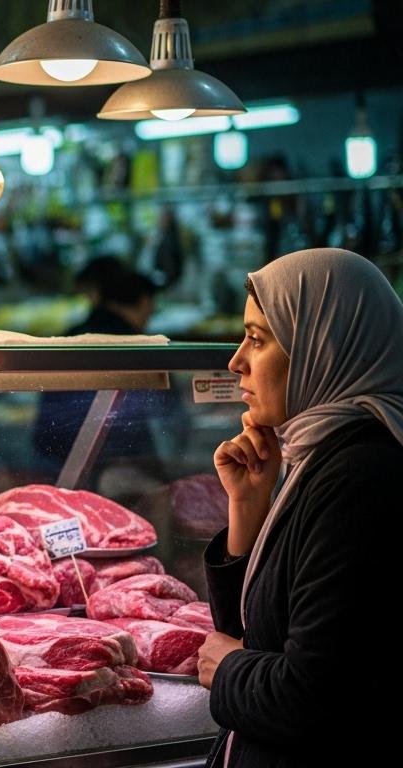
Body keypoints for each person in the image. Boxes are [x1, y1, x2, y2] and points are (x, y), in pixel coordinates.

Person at [197, 249, 403, 766]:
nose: (236, 360)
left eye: (258, 339)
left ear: (322, 346)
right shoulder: (317, 454)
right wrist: (248, 506)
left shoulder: (359, 475)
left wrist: (228, 671)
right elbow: (253, 634)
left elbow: (312, 698)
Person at [33, 262, 167, 487]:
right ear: (145, 302)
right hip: (117, 464)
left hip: (53, 457)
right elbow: (161, 413)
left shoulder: (70, 336)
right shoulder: (138, 345)